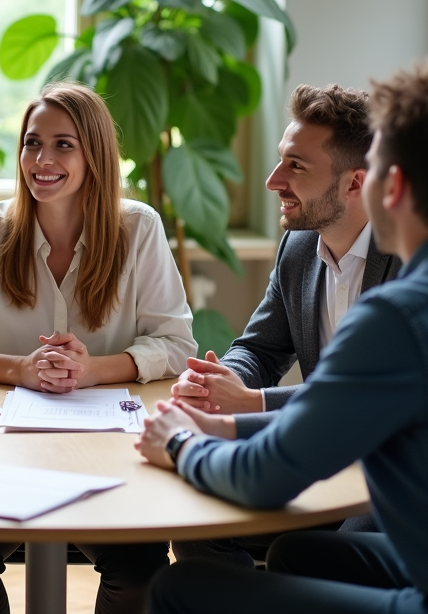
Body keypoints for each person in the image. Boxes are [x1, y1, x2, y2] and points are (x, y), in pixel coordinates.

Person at [138, 60, 428, 613]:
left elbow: (264, 479)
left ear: (389, 185)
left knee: (177, 590)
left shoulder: (400, 315)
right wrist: (227, 422)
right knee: (299, 555)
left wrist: (181, 443)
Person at [0, 82, 196, 614]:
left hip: (114, 451)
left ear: (94, 154)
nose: (41, 160)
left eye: (63, 145)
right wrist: (22, 369)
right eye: (32, 143)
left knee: (139, 573)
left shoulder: (138, 227)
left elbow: (178, 345)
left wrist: (94, 370)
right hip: (7, 447)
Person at [169, 84, 399, 565]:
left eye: (297, 166)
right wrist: (224, 378)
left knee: (316, 556)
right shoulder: (298, 249)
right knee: (197, 529)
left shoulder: (407, 260)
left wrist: (253, 402)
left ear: (355, 183)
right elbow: (261, 348)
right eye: (280, 159)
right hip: (316, 456)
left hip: (386, 470)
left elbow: (372, 395)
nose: (274, 180)